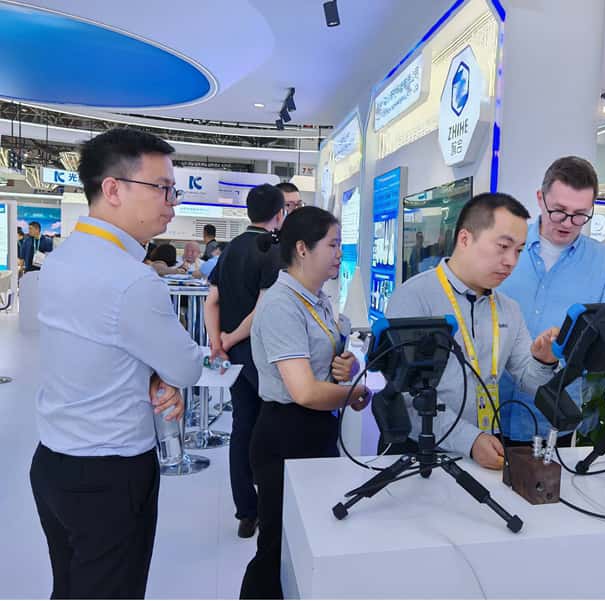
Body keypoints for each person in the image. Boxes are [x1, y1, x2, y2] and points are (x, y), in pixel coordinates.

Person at [30, 127, 202, 599]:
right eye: (162, 188)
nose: (172, 203)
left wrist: (147, 372)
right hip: (110, 473)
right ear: (112, 189)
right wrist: (163, 373)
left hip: (54, 461)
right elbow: (187, 367)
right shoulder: (132, 280)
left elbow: (96, 346)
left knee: (70, 587)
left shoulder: (62, 259)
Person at [241, 206, 369, 599]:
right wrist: (356, 393)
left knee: (309, 541)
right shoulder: (282, 305)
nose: (339, 254)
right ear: (301, 248)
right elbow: (305, 392)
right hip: (285, 435)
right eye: (332, 244)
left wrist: (347, 369)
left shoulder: (319, 300)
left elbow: (329, 369)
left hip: (317, 431)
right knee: (276, 547)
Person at [386, 192, 561, 468]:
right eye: (503, 246)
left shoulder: (509, 309)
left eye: (518, 250)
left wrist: (544, 360)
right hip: (419, 452)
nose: (511, 261)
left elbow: (530, 381)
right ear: (465, 239)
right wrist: (469, 439)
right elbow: (405, 397)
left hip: (484, 449)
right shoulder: (415, 298)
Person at [498, 156, 605, 444]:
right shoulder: (502, 248)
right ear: (540, 199)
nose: (568, 223)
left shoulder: (604, 263)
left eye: (580, 214)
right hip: (486, 413)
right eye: (558, 211)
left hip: (553, 422)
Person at [205, 184, 285, 538]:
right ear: (280, 214)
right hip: (261, 355)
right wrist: (233, 337)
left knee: (241, 427)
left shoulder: (230, 249)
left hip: (233, 357)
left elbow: (211, 301)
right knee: (270, 431)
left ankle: (245, 512)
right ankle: (269, 508)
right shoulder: (272, 250)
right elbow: (263, 308)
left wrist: (217, 342)